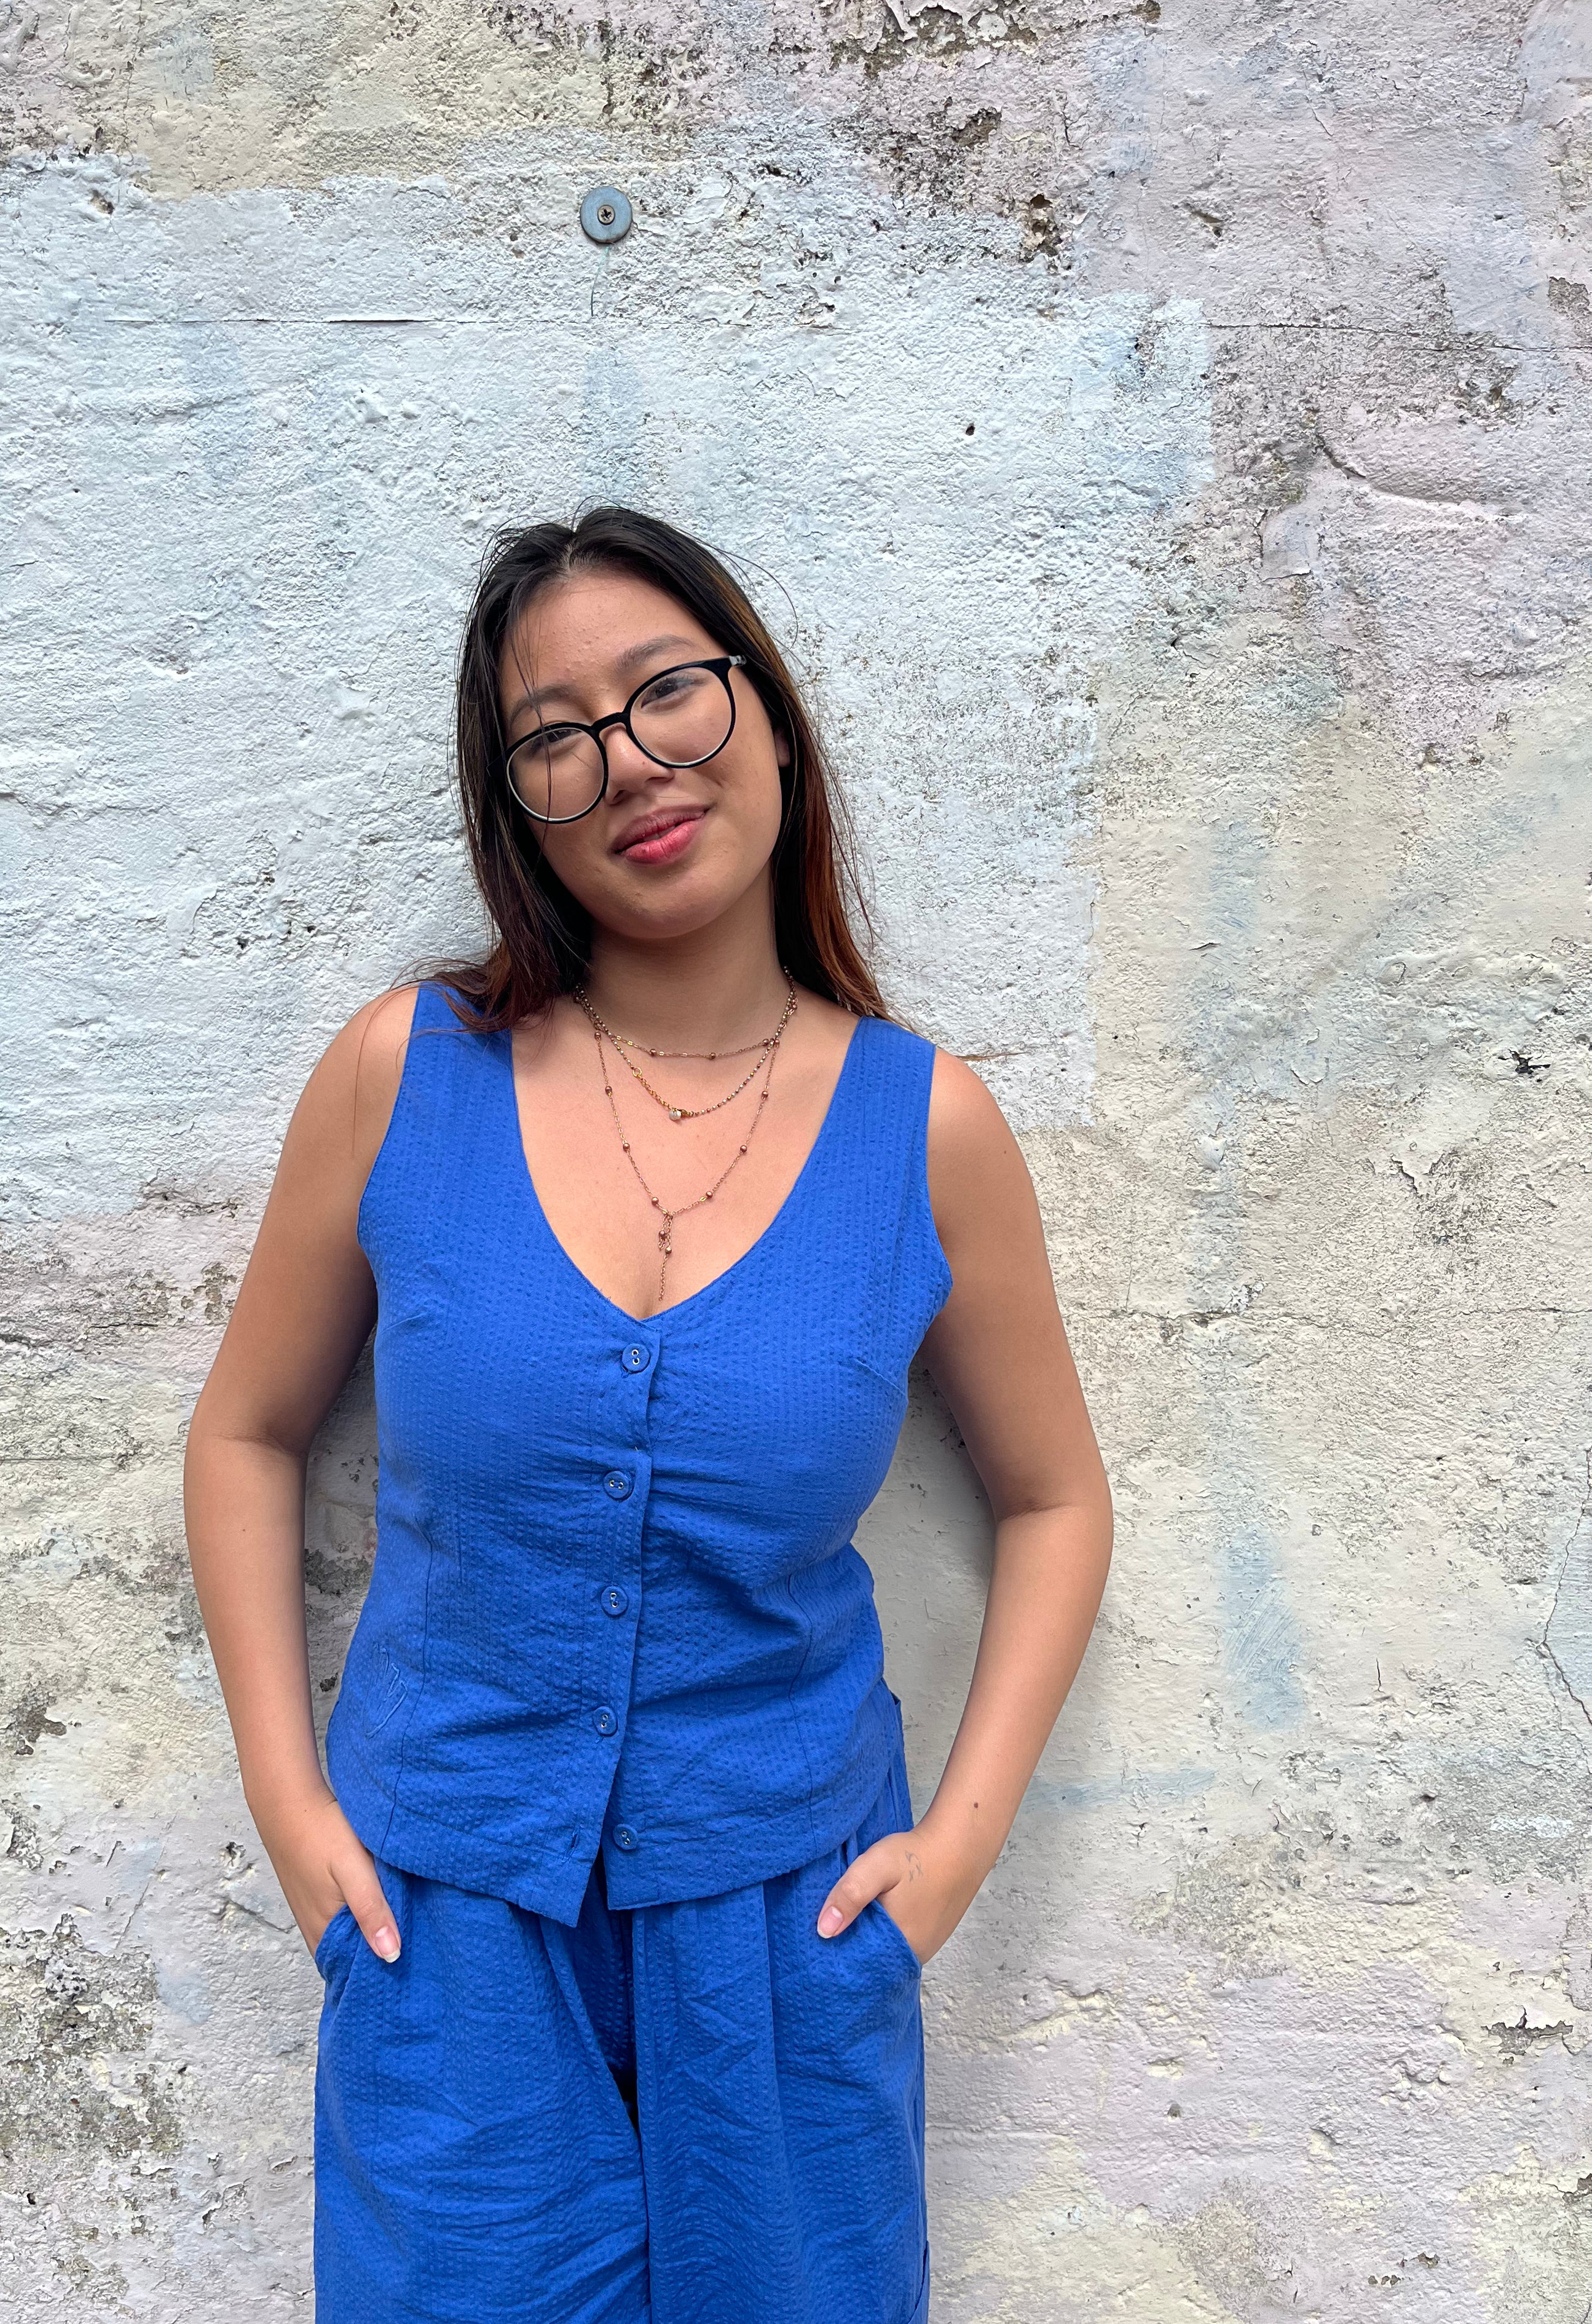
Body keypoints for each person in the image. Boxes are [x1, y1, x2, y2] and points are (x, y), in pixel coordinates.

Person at [181, 506, 1114, 2322]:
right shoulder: (404, 1075)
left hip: (793, 1932)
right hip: (441, 1922)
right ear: (513, 803)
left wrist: (957, 1851)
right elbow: (243, 1432)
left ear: (764, 712)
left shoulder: (927, 1129)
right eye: (557, 737)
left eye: (668, 693)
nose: (630, 767)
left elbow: (1058, 1497)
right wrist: (293, 1807)